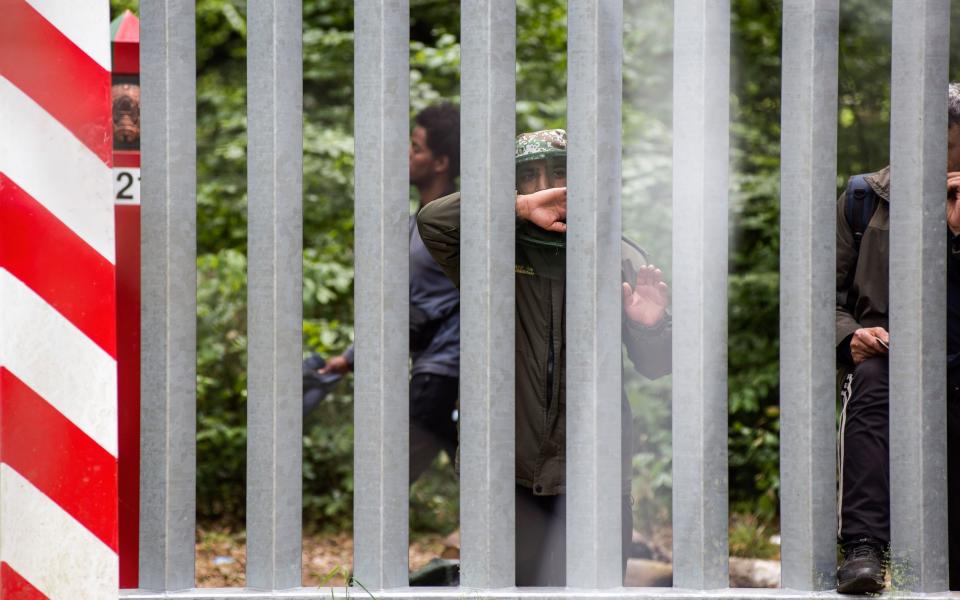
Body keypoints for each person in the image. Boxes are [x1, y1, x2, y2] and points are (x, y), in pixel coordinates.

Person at [417, 129, 672, 586]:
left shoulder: (618, 254)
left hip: (594, 472)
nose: (545, 185)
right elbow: (434, 221)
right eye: (529, 176)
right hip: (503, 469)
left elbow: (656, 364)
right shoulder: (486, 250)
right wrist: (514, 211)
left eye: (559, 173)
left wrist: (648, 327)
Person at [835, 83, 960, 594]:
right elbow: (820, 298)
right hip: (895, 374)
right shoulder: (866, 200)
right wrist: (851, 338)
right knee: (873, 379)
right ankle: (864, 548)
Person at [318, 102, 462, 484]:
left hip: (446, 371)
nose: (407, 155)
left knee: (391, 476)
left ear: (441, 163)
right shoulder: (415, 226)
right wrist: (350, 358)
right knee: (476, 466)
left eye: (416, 148)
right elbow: (399, 308)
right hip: (433, 367)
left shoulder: (459, 223)